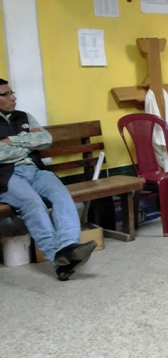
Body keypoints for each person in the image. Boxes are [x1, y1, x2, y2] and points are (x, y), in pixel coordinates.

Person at [0, 78, 97, 281]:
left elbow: (45, 140)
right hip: (7, 175)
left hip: (36, 170)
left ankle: (69, 246)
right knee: (33, 204)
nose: (13, 98)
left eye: (12, 92)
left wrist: (12, 141)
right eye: (6, 94)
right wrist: (28, 144)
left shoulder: (24, 116)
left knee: (61, 195)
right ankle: (59, 260)